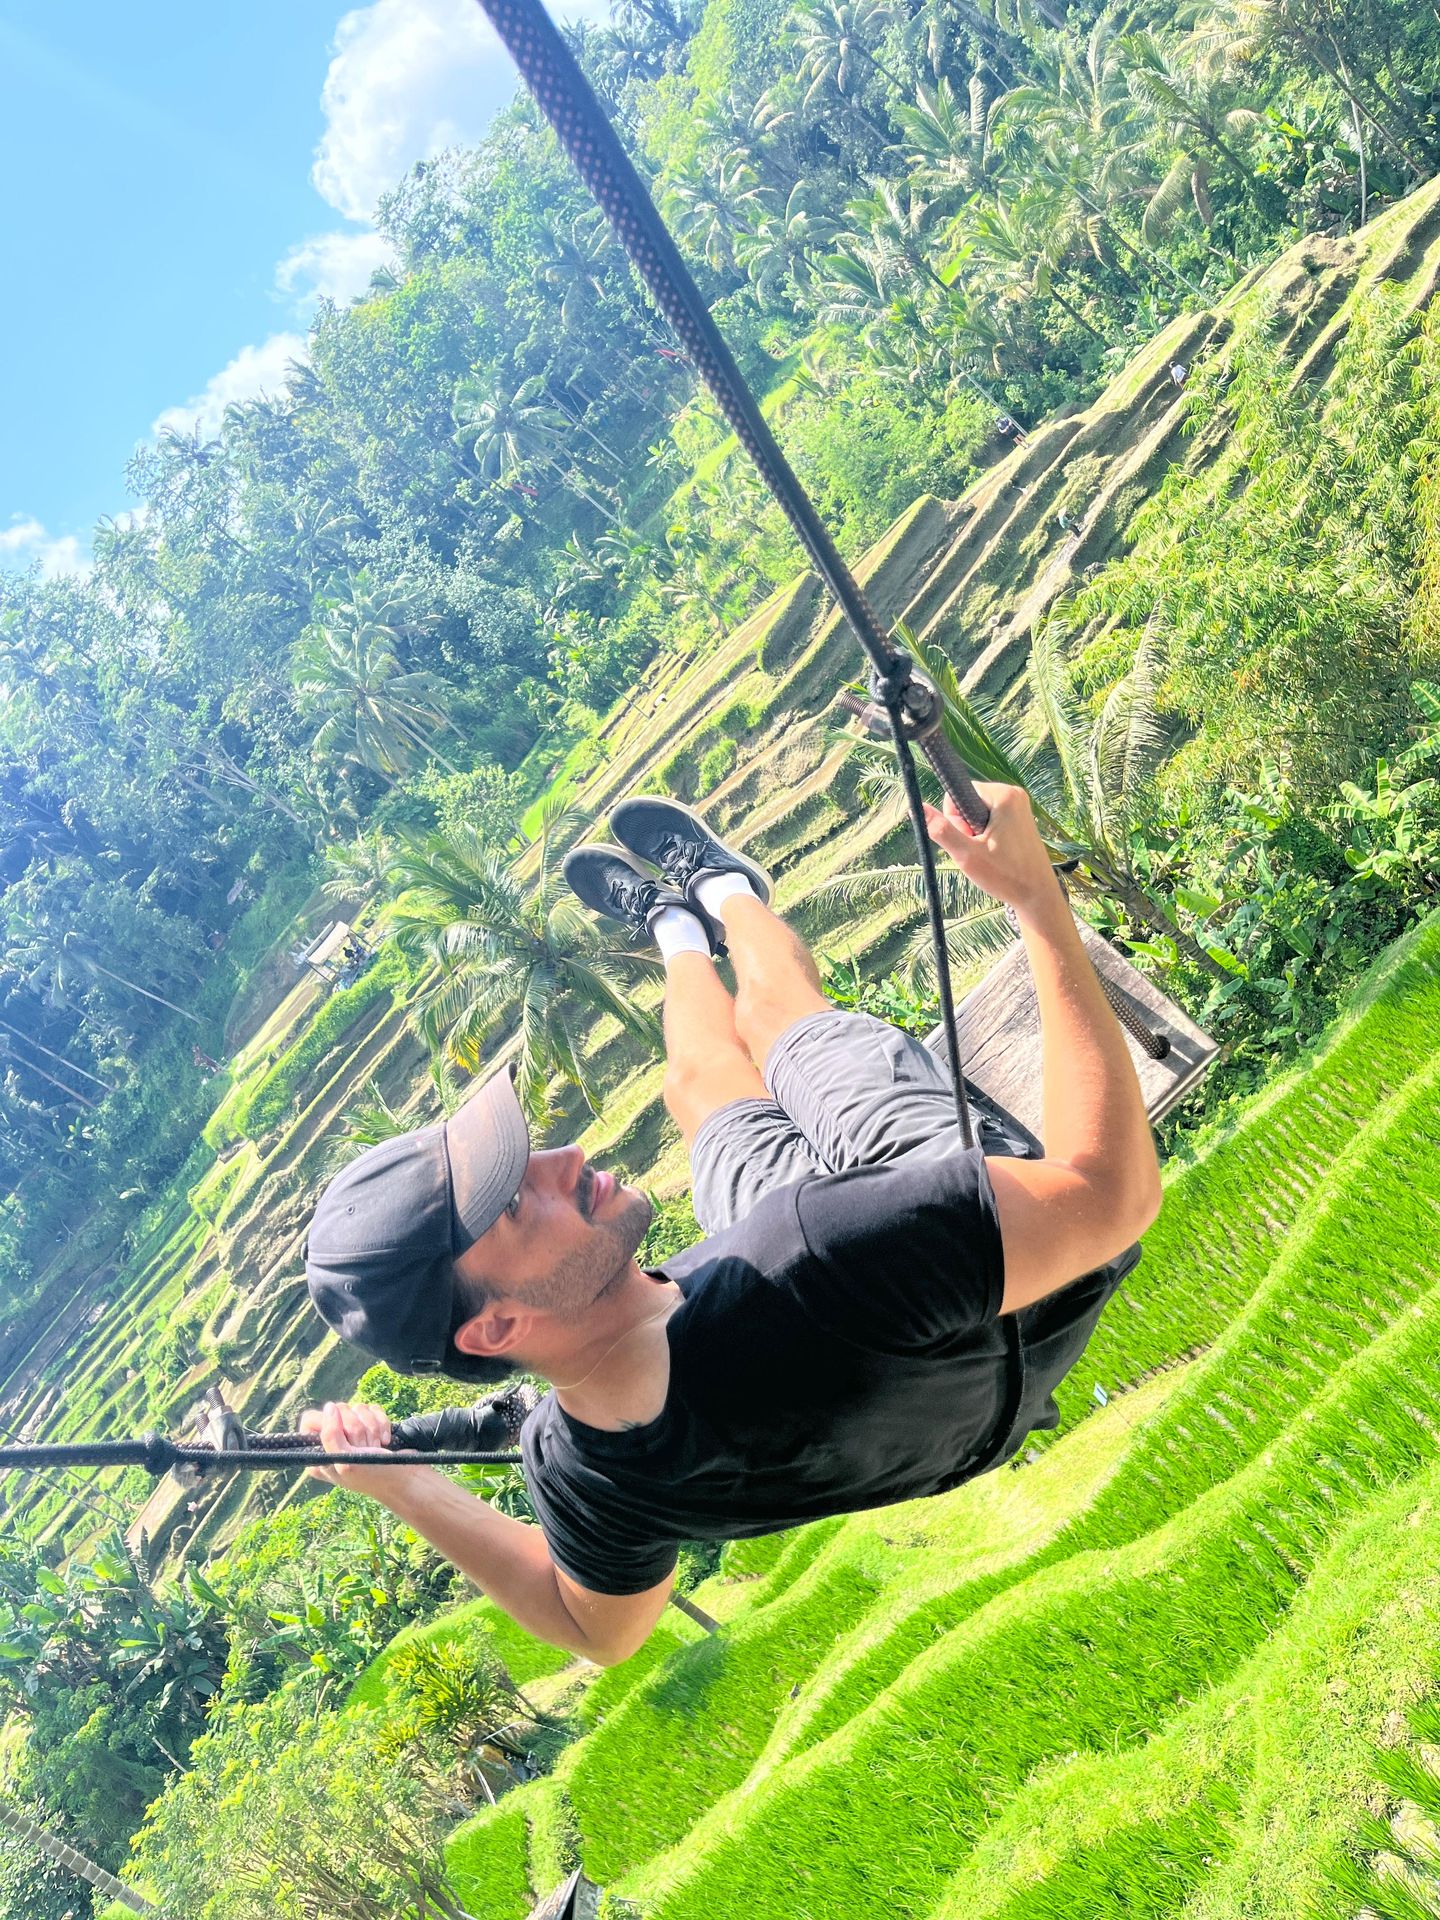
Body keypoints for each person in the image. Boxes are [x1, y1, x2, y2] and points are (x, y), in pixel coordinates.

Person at [302, 789, 1161, 1666]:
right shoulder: (824, 1249)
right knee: (780, 1020)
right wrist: (1034, 900)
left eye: (521, 1154)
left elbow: (595, 1628)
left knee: (700, 1084)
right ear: (493, 1326)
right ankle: (725, 892)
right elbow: (1109, 1197)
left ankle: (674, 925)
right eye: (519, 1202)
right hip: (1024, 1286)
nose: (563, 1158)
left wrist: (400, 1485)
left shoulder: (584, 1474)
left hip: (921, 1390)